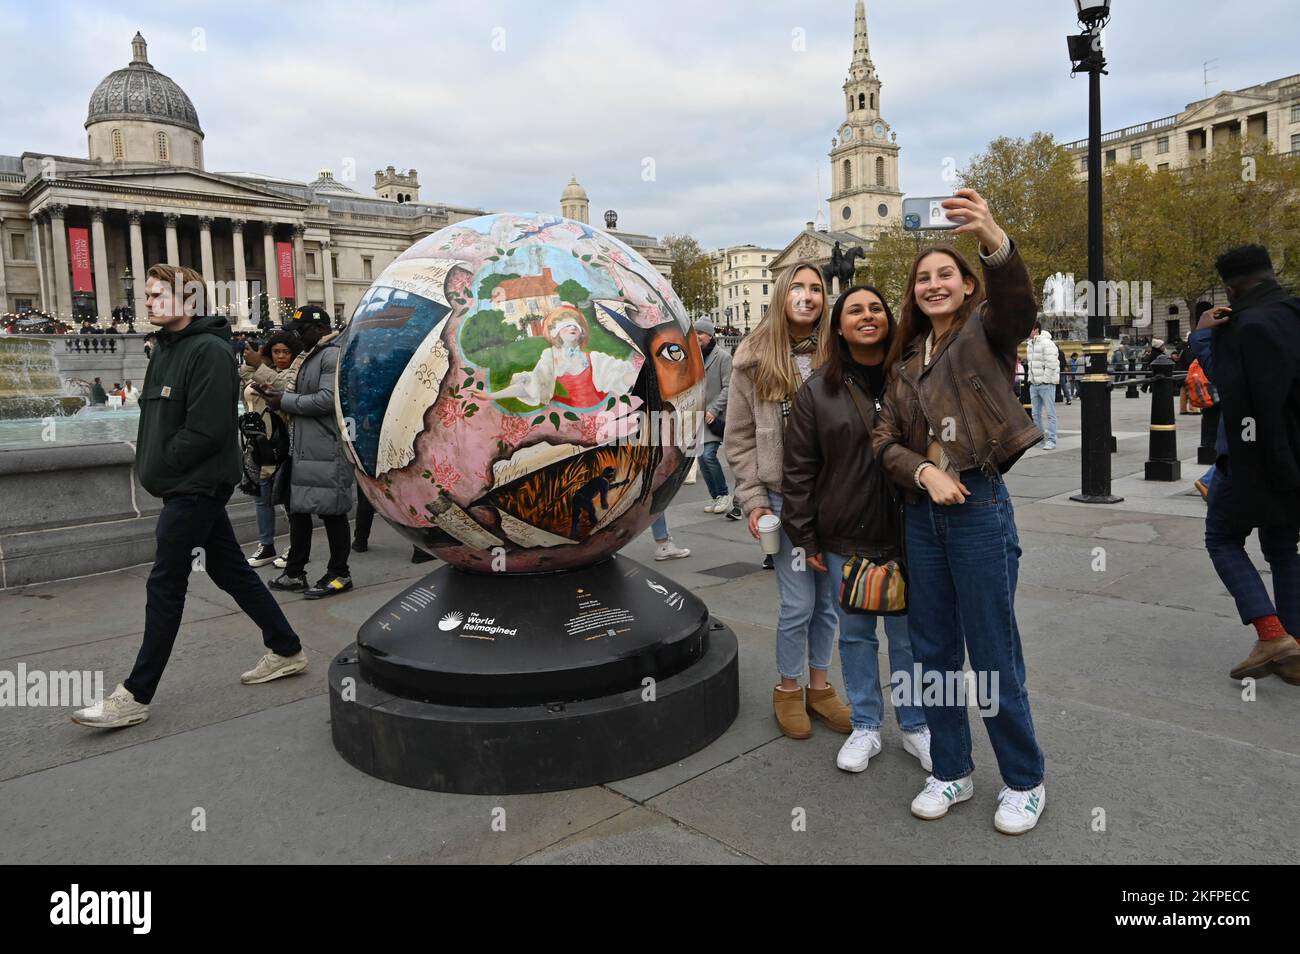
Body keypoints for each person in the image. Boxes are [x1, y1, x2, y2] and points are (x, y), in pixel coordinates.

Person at [873, 188, 1047, 834]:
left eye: (946, 274)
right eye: (923, 278)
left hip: (979, 508)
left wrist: (995, 239)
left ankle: (1025, 780)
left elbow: (1018, 305)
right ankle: (951, 769)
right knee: (934, 651)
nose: (933, 284)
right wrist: (920, 471)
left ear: (968, 285)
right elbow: (883, 441)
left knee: (993, 653)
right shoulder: (905, 363)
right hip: (924, 518)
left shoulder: (986, 333)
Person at [71, 265, 307, 730]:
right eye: (148, 294)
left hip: (196, 486)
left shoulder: (209, 351)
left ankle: (135, 695)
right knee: (229, 569)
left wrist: (161, 464)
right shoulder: (163, 349)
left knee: (166, 581)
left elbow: (206, 429)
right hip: (182, 484)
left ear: (189, 299)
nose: (148, 301)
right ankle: (286, 648)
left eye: (158, 294)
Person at [782, 284, 930, 773]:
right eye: (854, 311)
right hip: (847, 530)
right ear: (839, 327)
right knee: (856, 635)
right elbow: (799, 468)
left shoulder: (912, 376)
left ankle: (916, 726)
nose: (867, 317)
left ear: (888, 319)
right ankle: (866, 725)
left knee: (911, 638)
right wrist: (804, 536)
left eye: (875, 309)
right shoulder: (817, 390)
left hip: (912, 527)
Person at [725, 261, 851, 740]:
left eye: (815, 288)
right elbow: (737, 438)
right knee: (797, 604)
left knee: (829, 605)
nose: (806, 295)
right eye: (796, 287)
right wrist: (753, 499)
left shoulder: (839, 353)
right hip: (783, 502)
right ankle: (788, 687)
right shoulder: (752, 357)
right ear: (781, 295)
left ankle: (820, 687)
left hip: (836, 500)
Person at [1188, 245, 1300, 685]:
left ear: (1233, 287)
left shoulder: (1242, 325)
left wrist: (1201, 334)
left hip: (1248, 458)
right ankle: (1294, 652)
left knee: (1222, 538)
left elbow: (1228, 383)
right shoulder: (1293, 312)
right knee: (1283, 550)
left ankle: (1272, 635)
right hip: (1293, 458)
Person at [261, 306, 355, 599]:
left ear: (320, 328)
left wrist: (285, 401)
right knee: (298, 510)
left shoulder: (331, 354)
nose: (297, 337)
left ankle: (340, 574)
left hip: (326, 448)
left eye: (302, 331)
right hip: (304, 449)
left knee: (333, 513)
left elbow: (327, 400)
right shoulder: (311, 354)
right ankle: (294, 571)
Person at [240, 331, 301, 567]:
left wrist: (260, 366)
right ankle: (266, 545)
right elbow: (244, 377)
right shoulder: (265, 368)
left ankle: (295, 545)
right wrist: (257, 362)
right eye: (276, 352)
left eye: (286, 352)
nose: (281, 356)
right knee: (261, 497)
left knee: (287, 498)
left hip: (281, 443)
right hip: (257, 442)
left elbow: (282, 386)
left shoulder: (294, 373)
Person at [694, 318, 734, 514]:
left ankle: (725, 495)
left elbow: (729, 387)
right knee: (701, 458)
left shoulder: (724, 357)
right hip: (698, 416)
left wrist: (713, 410)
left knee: (708, 455)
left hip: (715, 416)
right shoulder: (693, 356)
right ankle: (716, 496)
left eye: (700, 333)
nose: (696, 337)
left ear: (709, 336)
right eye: (695, 333)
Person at [1025, 321, 1059, 449]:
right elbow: (1031, 365)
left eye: (1029, 329)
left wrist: (1045, 380)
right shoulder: (1030, 345)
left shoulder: (1047, 343)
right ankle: (1039, 439)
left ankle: (1051, 440)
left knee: (1050, 413)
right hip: (1034, 384)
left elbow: (1052, 364)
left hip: (1046, 384)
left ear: (1036, 330)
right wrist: (1031, 379)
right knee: (1035, 414)